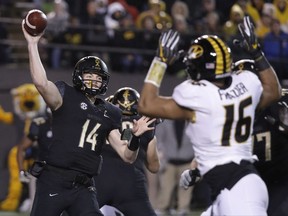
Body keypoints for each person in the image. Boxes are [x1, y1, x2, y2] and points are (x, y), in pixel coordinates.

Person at [138, 16, 282, 215]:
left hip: (236, 188)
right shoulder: (246, 84)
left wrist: (160, 61)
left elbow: (146, 104)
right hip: (237, 184)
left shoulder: (200, 97)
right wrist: (257, 53)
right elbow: (273, 91)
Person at [21, 20, 155, 216]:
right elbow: (41, 83)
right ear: (79, 76)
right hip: (54, 179)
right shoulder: (65, 95)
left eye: (98, 77)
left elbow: (127, 156)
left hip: (84, 186)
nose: (94, 80)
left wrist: (134, 138)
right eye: (89, 75)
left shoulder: (111, 111)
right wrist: (32, 44)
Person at [95, 87, 160, 216]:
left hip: (100, 179)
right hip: (130, 183)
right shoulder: (146, 124)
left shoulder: (102, 119)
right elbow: (154, 167)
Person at [154, 119, 194, 216]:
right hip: (169, 161)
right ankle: (161, 209)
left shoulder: (192, 123)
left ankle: (183, 209)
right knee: (165, 188)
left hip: (187, 161)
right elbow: (158, 139)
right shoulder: (165, 122)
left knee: (186, 188)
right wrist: (160, 153)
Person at [16, 106, 53, 212]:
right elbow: (21, 148)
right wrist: (21, 170)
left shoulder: (68, 125)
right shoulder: (40, 124)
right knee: (35, 206)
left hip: (62, 171)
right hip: (41, 170)